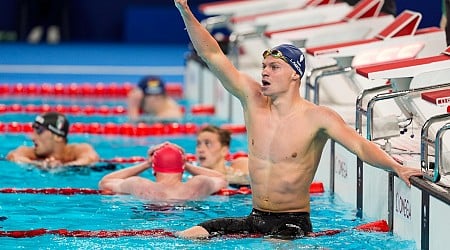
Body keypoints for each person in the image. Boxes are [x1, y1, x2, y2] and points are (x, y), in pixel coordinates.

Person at [173, 0, 423, 239]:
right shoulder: (253, 101)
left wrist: (396, 167)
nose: (264, 72)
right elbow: (213, 56)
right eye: (263, 66)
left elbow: (360, 146)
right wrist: (184, 9)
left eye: (274, 67)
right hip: (255, 217)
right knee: (189, 235)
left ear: (295, 74)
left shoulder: (317, 117)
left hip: (292, 222)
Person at [98, 142, 228, 201]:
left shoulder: (138, 184)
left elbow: (105, 182)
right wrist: (187, 164)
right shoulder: (200, 183)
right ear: (182, 168)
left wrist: (146, 163)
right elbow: (223, 179)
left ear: (154, 168)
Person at [7, 112, 99, 169]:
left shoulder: (77, 150)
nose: (32, 137)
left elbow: (90, 158)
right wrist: (39, 165)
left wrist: (62, 167)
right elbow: (13, 156)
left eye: (39, 131)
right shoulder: (31, 153)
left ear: (58, 136)